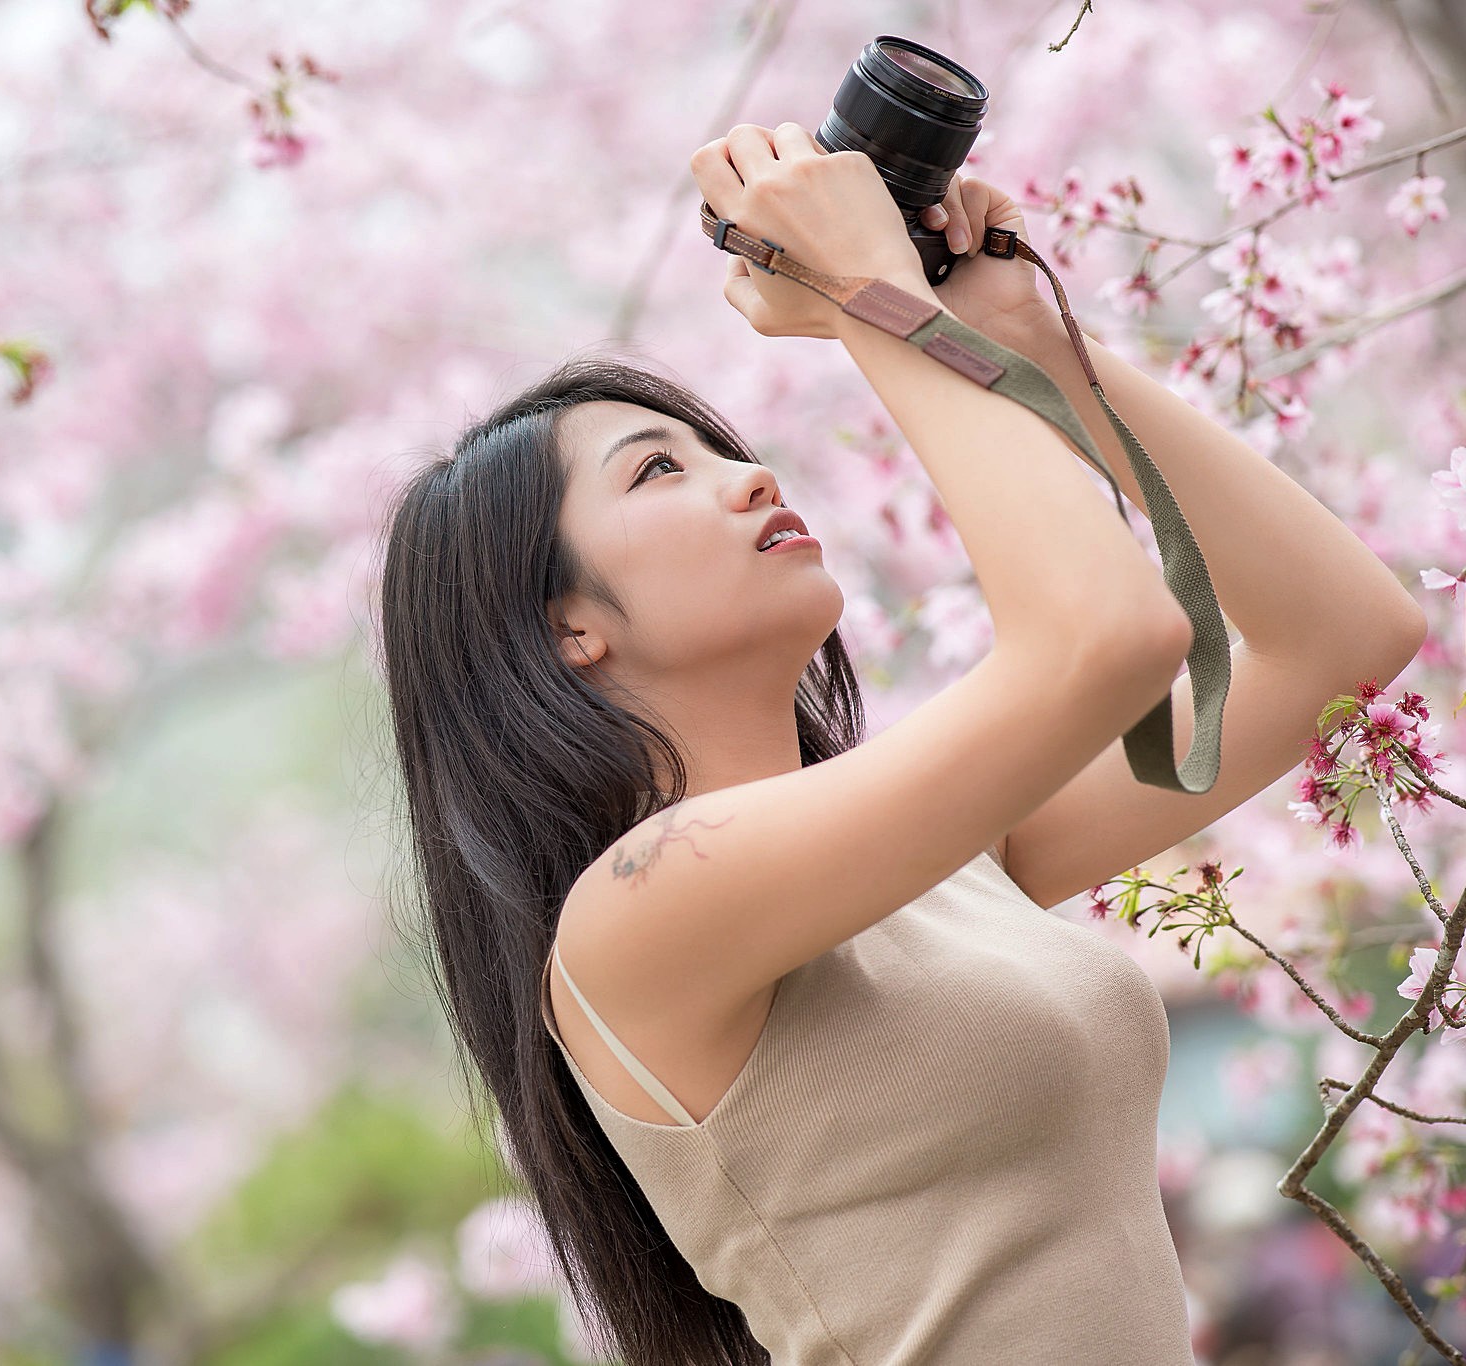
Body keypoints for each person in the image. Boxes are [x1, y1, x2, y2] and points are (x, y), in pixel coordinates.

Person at [377, 122, 1217, 1365]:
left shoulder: (943, 859)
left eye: (725, 444)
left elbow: (1332, 638)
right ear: (567, 631)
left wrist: (1038, 351)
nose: (748, 476)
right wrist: (870, 293)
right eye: (658, 470)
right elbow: (1106, 640)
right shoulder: (641, 913)